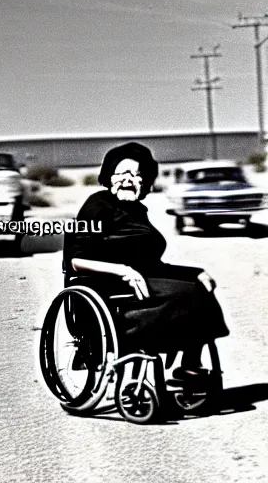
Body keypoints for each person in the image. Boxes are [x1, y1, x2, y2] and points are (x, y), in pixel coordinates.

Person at [64, 142, 229, 381]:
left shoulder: (137, 210)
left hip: (143, 282)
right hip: (108, 287)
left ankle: (190, 365)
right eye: (122, 173)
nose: (129, 179)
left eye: (137, 174)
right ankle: (149, 344)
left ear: (145, 181)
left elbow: (152, 263)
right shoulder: (96, 205)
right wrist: (122, 271)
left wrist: (195, 272)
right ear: (109, 175)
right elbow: (76, 261)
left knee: (201, 287)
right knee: (184, 294)